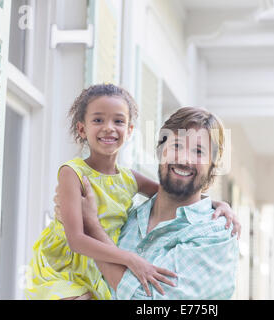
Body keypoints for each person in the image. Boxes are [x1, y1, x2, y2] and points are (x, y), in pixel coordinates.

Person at [25, 84, 240, 300]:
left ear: (214, 165)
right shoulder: (126, 217)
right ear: (160, 151)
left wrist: (91, 223)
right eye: (176, 146)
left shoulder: (215, 234)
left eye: (198, 151)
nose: (184, 158)